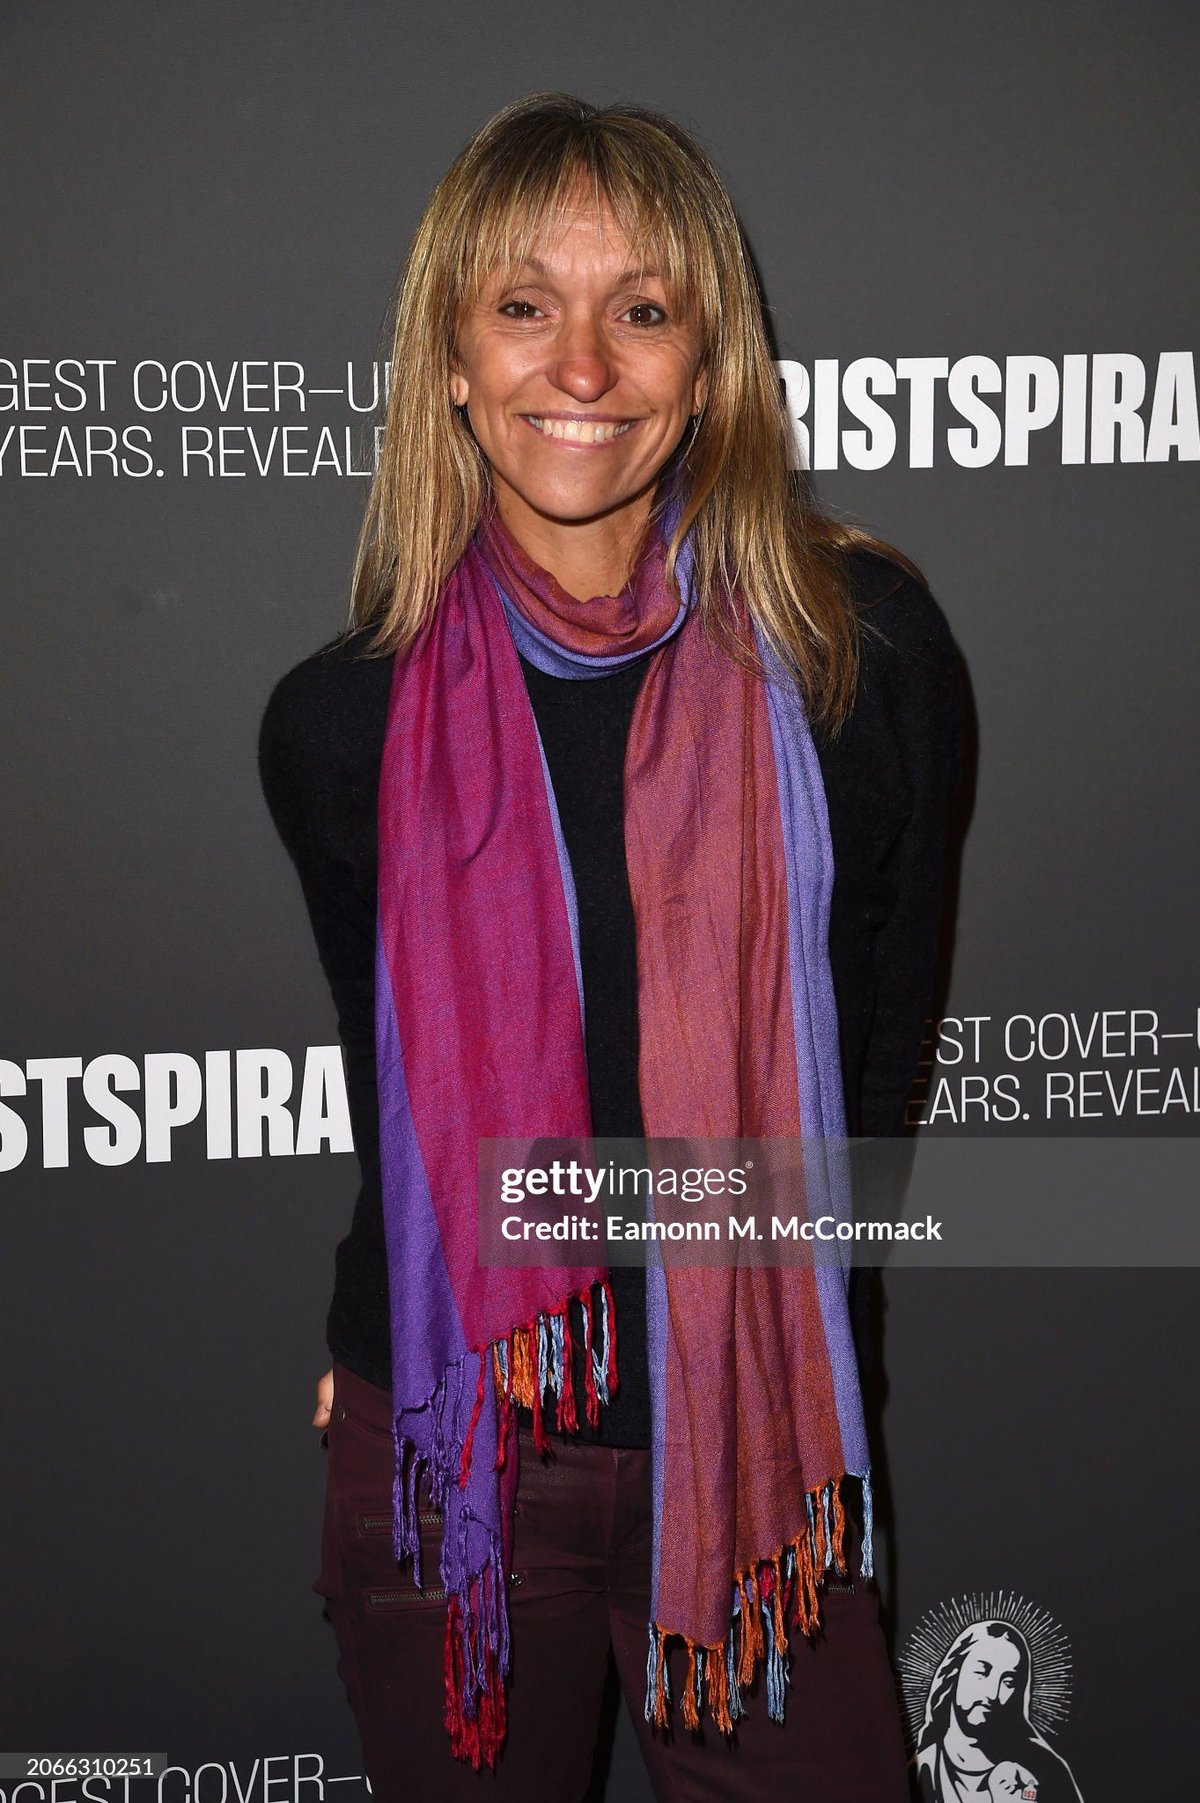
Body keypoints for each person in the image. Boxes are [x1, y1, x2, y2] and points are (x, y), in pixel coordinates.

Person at [258, 92, 964, 1803]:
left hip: (758, 1441)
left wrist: (791, 1372)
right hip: (455, 1448)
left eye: (642, 308)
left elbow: (876, 1073)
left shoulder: (860, 655)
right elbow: (407, 1111)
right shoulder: (342, 722)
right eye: (523, 305)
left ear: (709, 366)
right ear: (449, 359)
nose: (581, 364)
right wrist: (391, 1351)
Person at [915, 1621, 1084, 1800]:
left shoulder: (1044, 1771)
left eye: (1008, 1681)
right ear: (954, 1674)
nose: (992, 1693)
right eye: (981, 1672)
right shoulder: (922, 1769)